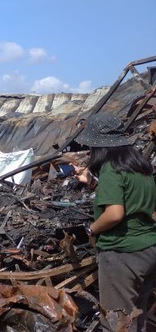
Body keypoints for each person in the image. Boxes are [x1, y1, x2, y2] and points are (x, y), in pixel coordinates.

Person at [74, 112, 156, 331]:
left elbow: (115, 213)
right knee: (137, 317)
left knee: (117, 322)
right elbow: (131, 201)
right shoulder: (139, 167)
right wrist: (91, 183)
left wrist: (92, 229)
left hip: (122, 254)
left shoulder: (111, 168)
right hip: (148, 250)